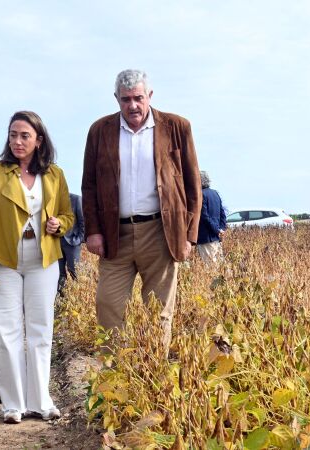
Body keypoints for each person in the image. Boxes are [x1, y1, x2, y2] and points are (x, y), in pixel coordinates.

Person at [81, 69, 202, 352]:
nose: (132, 105)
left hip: (160, 232)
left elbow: (192, 183)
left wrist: (189, 236)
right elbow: (89, 185)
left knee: (158, 310)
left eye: (137, 98)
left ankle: (152, 375)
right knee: (108, 305)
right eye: (125, 100)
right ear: (116, 99)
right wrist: (94, 231)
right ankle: (116, 375)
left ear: (149, 96)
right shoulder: (100, 131)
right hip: (115, 234)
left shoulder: (176, 127)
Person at [0, 111, 74, 424]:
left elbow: (69, 217)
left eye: (25, 136)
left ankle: (41, 401)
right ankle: (13, 404)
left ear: (39, 140)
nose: (17, 141)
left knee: (41, 330)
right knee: (7, 332)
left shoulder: (55, 174)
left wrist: (60, 225)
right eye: (13, 134)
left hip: (43, 261)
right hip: (3, 262)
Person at [196, 171, 226, 264]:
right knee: (220, 264)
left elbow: (205, 217)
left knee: (210, 267)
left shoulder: (201, 195)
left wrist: (217, 230)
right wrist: (221, 229)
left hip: (206, 237)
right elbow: (222, 213)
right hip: (216, 237)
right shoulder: (215, 193)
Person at [57, 193, 84, 295]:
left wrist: (79, 239)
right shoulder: (52, 199)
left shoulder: (76, 199)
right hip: (56, 242)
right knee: (59, 273)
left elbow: (83, 221)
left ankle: (78, 298)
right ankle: (62, 299)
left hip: (72, 242)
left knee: (74, 272)